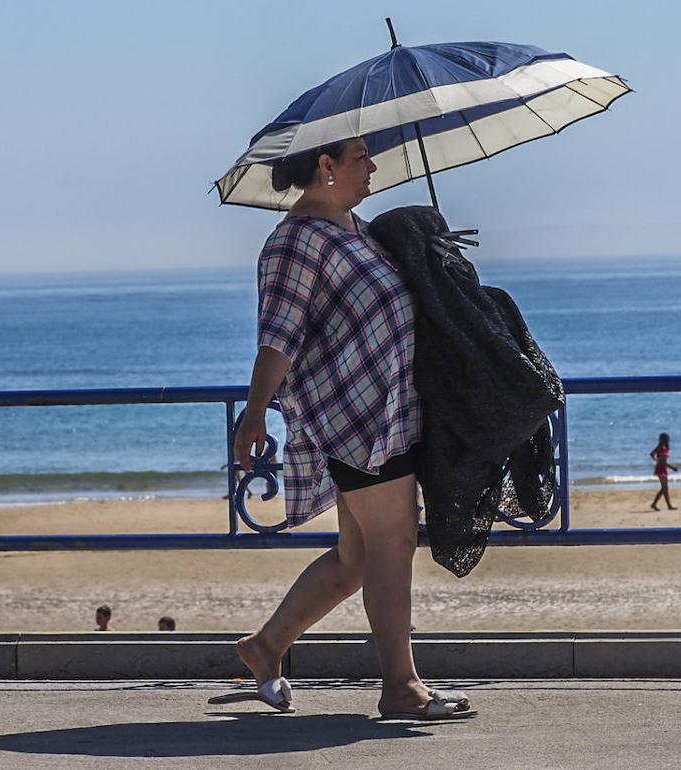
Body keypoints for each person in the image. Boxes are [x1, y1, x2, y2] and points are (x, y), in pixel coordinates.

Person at [223, 137, 470, 721]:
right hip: (351, 416)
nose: (374, 166)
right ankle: (401, 687)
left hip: (386, 410)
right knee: (394, 542)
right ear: (326, 166)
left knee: (357, 557)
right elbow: (277, 334)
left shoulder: (354, 228)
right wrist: (255, 412)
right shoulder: (295, 242)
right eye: (362, 157)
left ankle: (264, 647)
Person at [649, 433, 679, 511]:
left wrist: (656, 460)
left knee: (664, 488)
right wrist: (672, 467)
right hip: (661, 468)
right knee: (665, 488)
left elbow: (652, 454)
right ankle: (667, 506)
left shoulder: (661, 447)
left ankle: (655, 504)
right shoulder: (662, 447)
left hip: (662, 468)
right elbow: (662, 461)